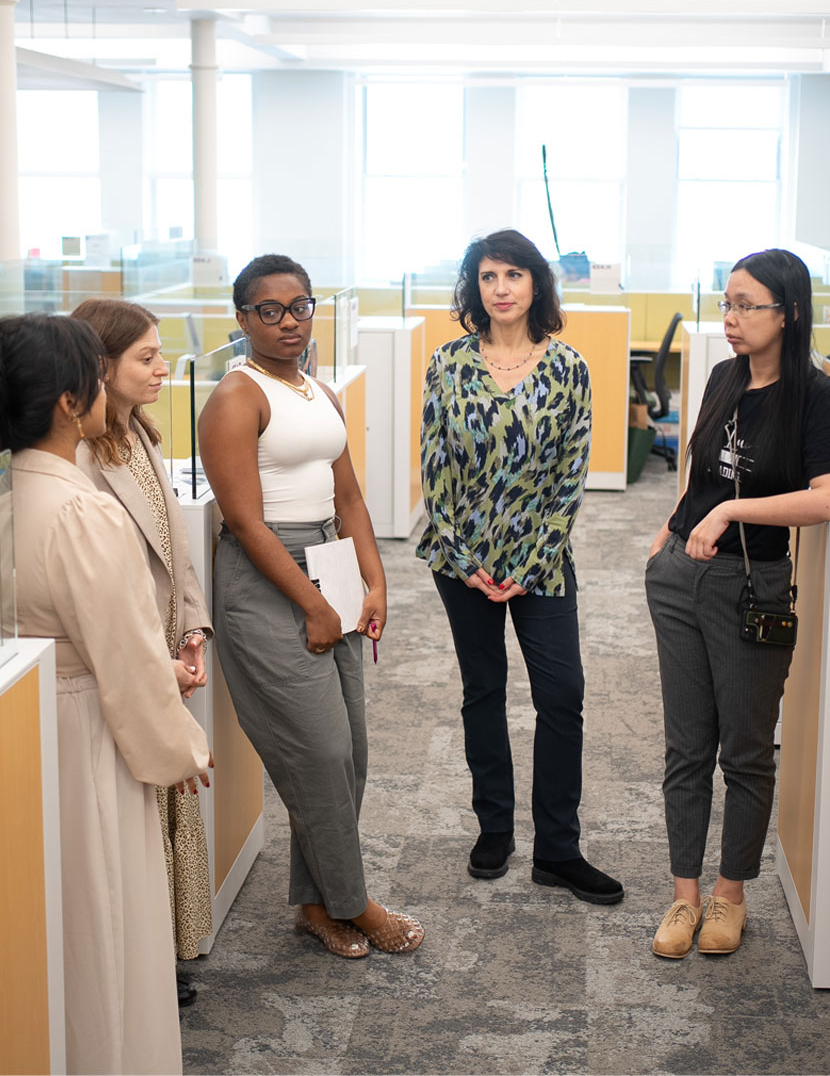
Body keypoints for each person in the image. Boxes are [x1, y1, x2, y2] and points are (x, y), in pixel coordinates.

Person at [3, 312, 213, 1073]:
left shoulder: (14, 499)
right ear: (69, 401)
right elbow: (123, 658)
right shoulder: (82, 511)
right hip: (91, 725)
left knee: (58, 918)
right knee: (109, 918)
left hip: (35, 724)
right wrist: (182, 748)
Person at [198, 253, 419, 958]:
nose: (288, 321)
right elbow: (245, 522)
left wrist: (373, 581)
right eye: (270, 310)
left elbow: (347, 495)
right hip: (267, 579)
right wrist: (315, 606)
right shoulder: (236, 397)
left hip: (330, 559)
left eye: (300, 306)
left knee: (349, 750)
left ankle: (317, 905)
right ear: (242, 318)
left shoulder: (319, 391)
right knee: (318, 752)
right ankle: (354, 904)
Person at [645, 248, 830, 959]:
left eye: (744, 305)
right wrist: (669, 531)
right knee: (686, 746)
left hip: (750, 586)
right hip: (680, 575)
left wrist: (731, 510)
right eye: (726, 303)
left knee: (746, 751)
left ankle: (730, 894)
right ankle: (684, 895)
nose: (729, 319)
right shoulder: (724, 376)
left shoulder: (814, 394)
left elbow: (828, 499)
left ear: (786, 313)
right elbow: (700, 473)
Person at [416, 230, 619, 903]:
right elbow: (435, 470)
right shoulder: (447, 364)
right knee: (484, 691)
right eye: (487, 276)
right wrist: (465, 559)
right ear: (473, 287)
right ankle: (494, 830)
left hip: (543, 563)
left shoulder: (568, 368)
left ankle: (558, 848)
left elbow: (570, 476)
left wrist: (531, 563)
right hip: (462, 562)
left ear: (536, 284)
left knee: (562, 695)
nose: (500, 288)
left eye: (513, 275)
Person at [69, 297, 216, 1008]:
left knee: (168, 806)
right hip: (126, 654)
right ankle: (141, 967)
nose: (163, 369)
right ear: (101, 366)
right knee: (139, 809)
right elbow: (104, 584)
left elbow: (174, 550)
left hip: (164, 643)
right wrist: (160, 666)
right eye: (146, 357)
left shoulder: (140, 432)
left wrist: (192, 630)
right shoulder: (81, 458)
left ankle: (167, 952)